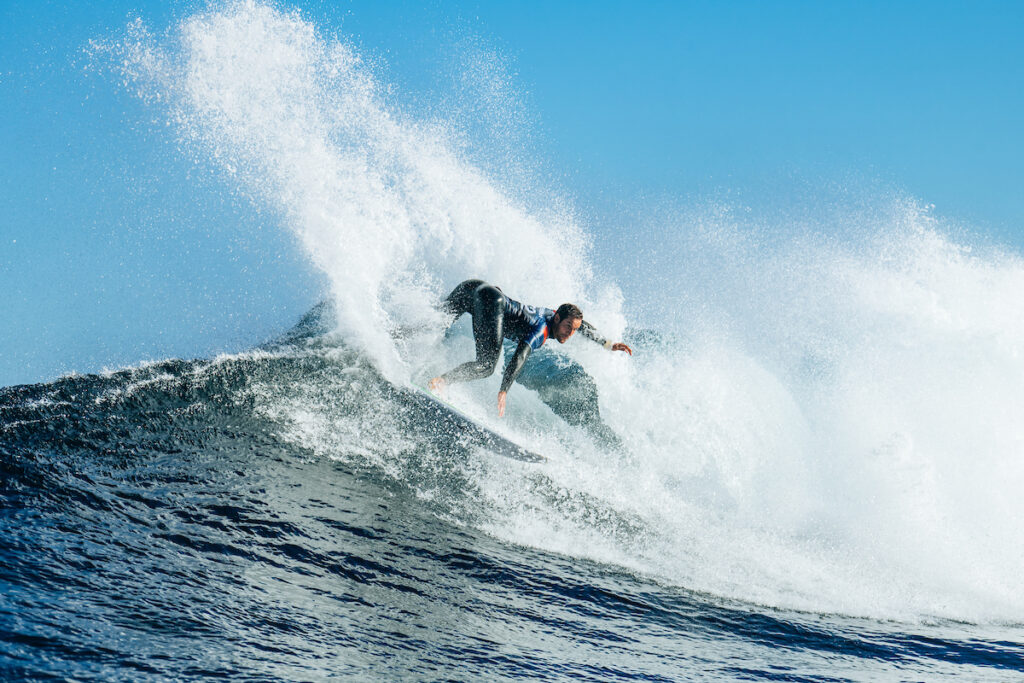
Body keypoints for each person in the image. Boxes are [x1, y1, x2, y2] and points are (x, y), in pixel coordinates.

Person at [428, 279, 632, 416]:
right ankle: (441, 382)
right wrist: (504, 390)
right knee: (487, 366)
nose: (569, 334)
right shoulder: (541, 329)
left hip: (475, 287)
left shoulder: (556, 315)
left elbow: (582, 326)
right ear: (558, 318)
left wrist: (607, 344)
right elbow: (520, 355)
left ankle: (398, 338)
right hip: (491, 301)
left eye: (573, 330)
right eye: (567, 328)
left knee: (431, 326)